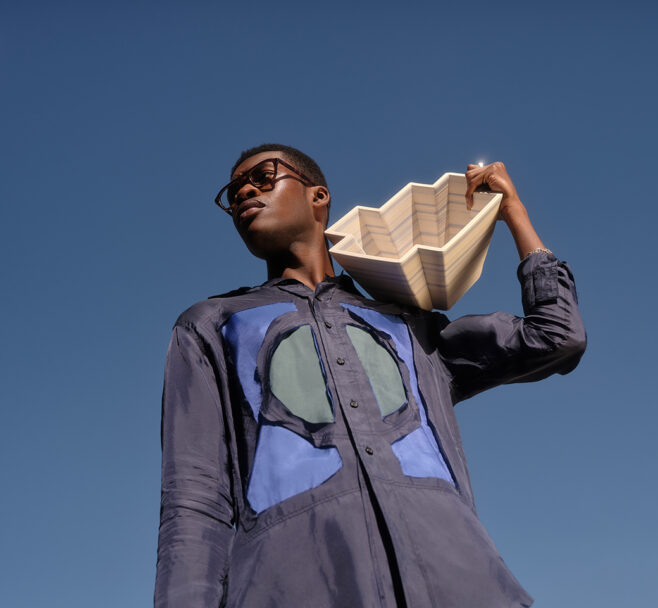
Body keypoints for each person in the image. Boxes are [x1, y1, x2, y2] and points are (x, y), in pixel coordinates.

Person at [154, 143, 587, 607]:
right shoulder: (215, 324)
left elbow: (557, 335)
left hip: (461, 583)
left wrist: (513, 213)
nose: (243, 193)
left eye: (262, 177)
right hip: (295, 585)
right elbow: (195, 501)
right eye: (233, 191)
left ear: (318, 196)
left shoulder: (407, 325)